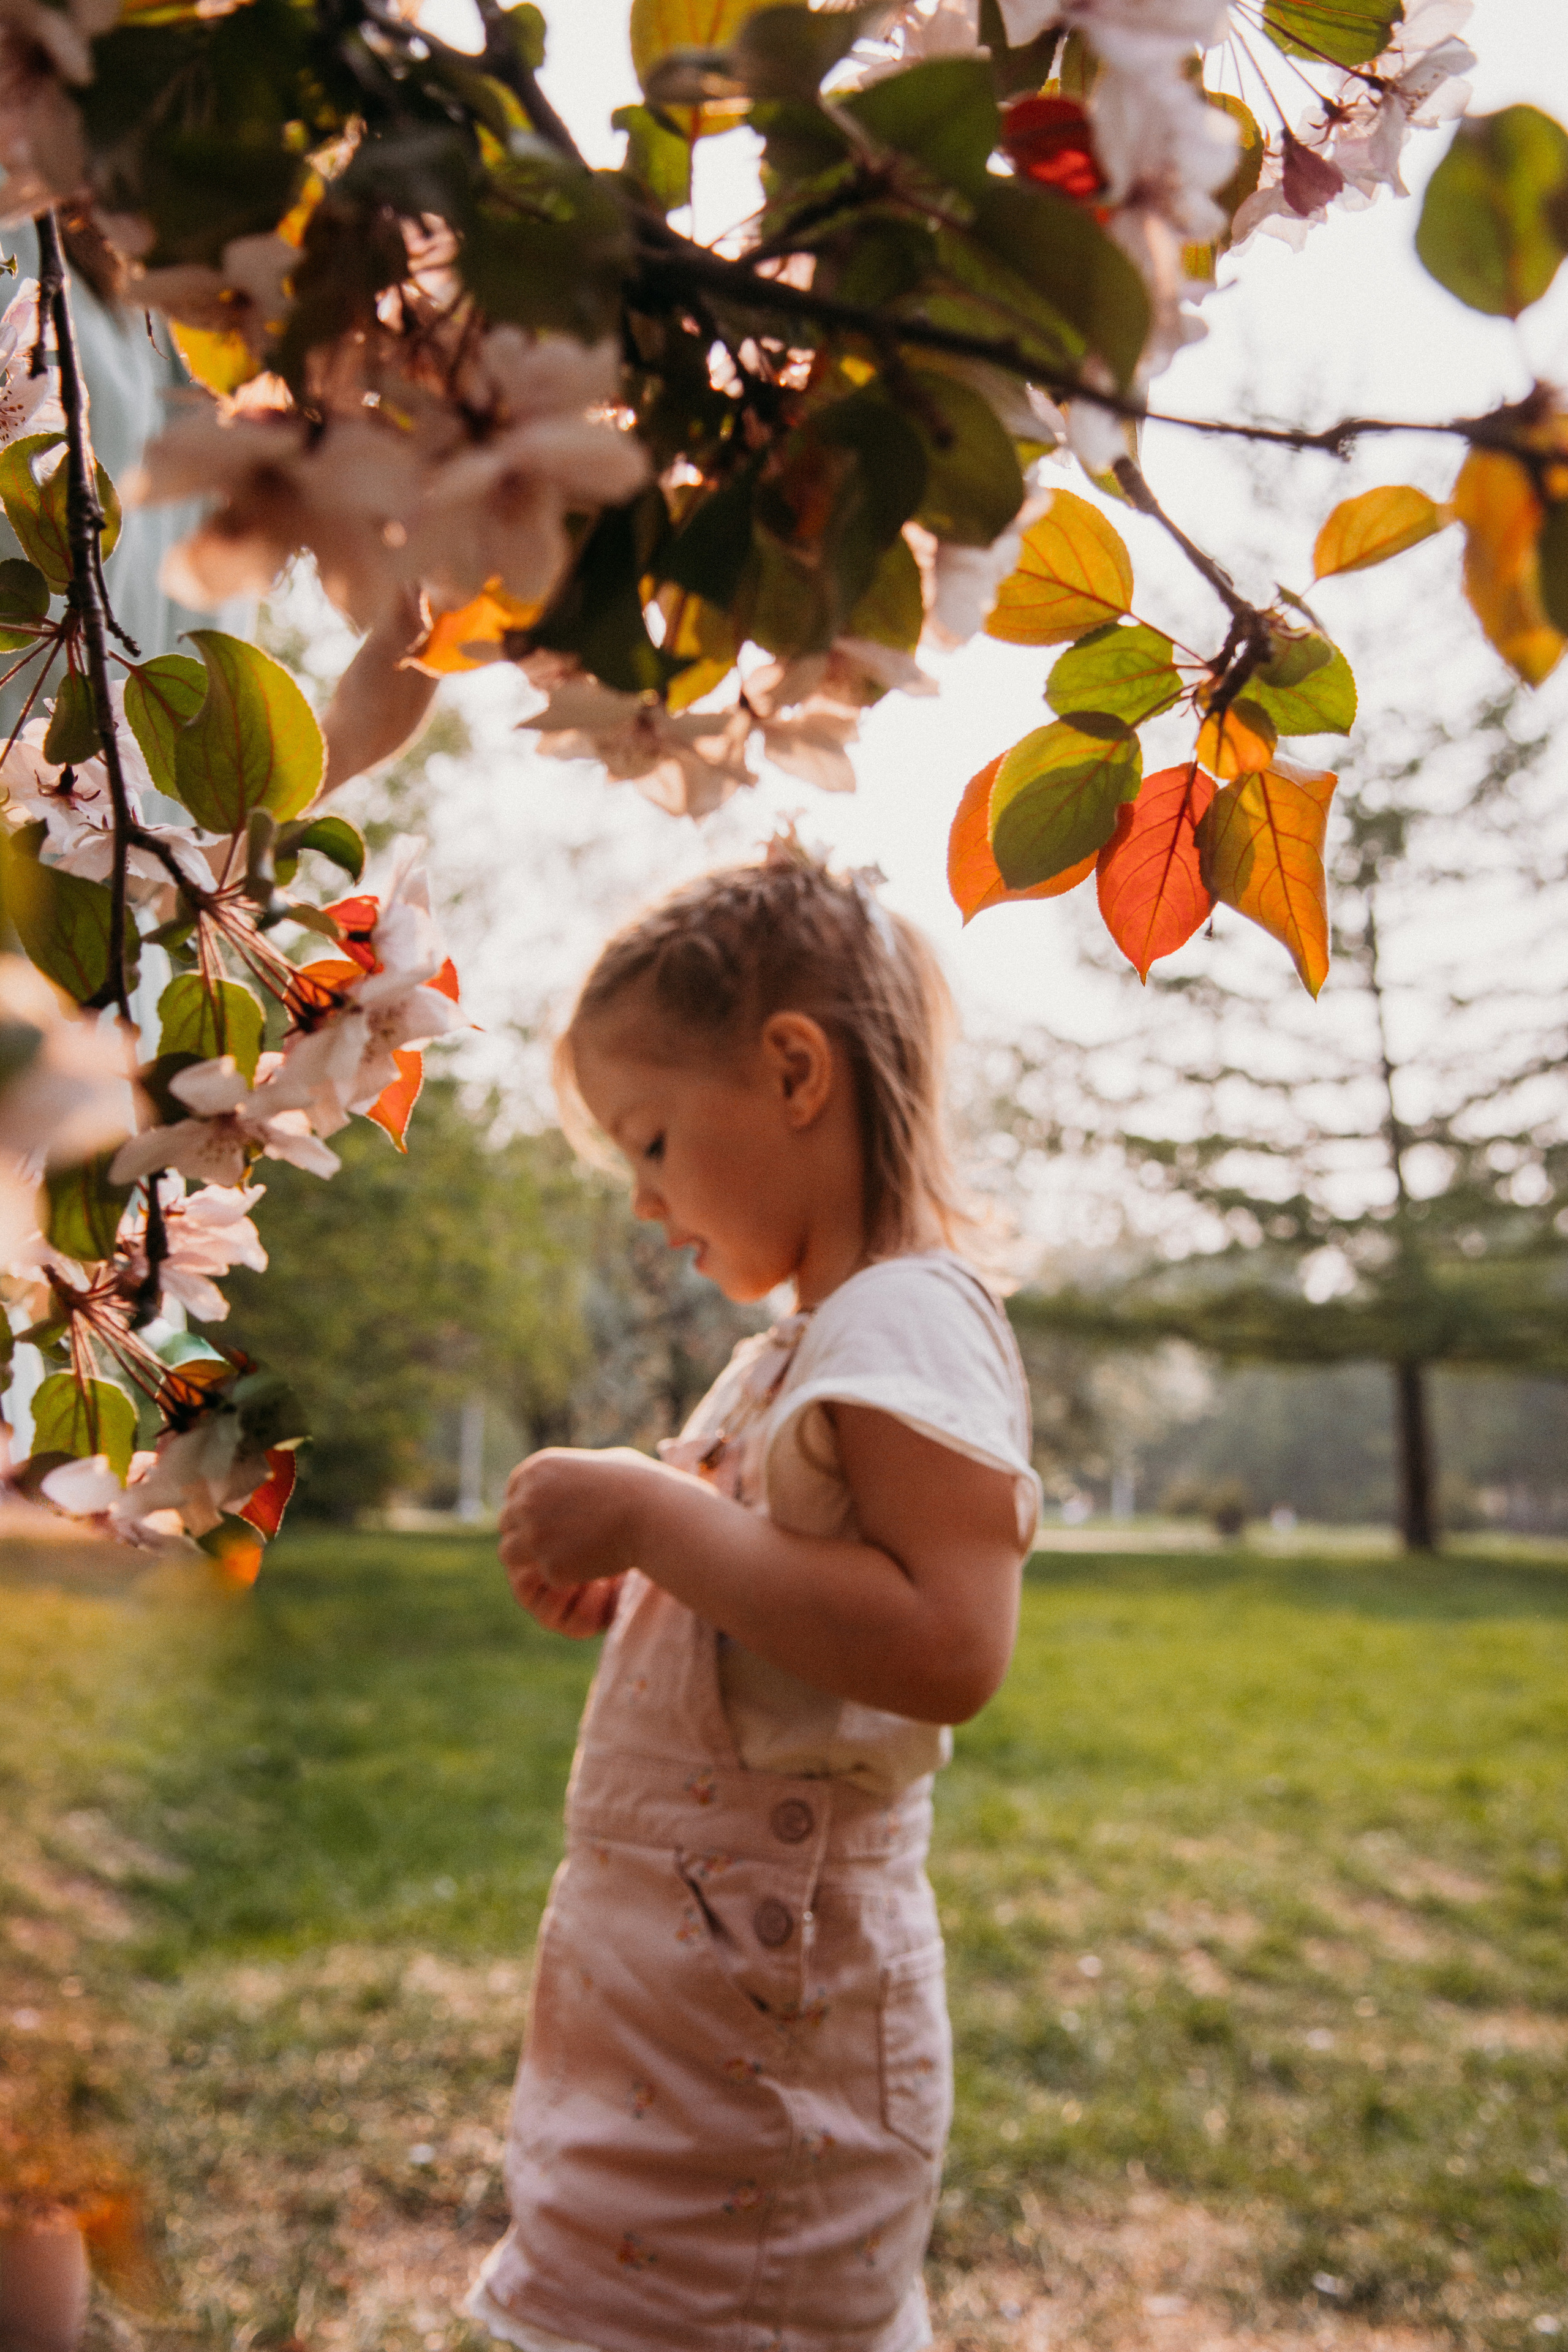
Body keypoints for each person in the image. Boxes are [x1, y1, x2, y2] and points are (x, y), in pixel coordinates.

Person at [465, 839, 1041, 2352]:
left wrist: (655, 1517)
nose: (643, 1201)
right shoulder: (801, 1346)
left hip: (769, 2069)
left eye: (650, 1141)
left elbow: (947, 1642)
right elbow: (784, 1607)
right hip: (681, 2031)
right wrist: (645, 1592)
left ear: (793, 1072)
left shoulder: (906, 1321)